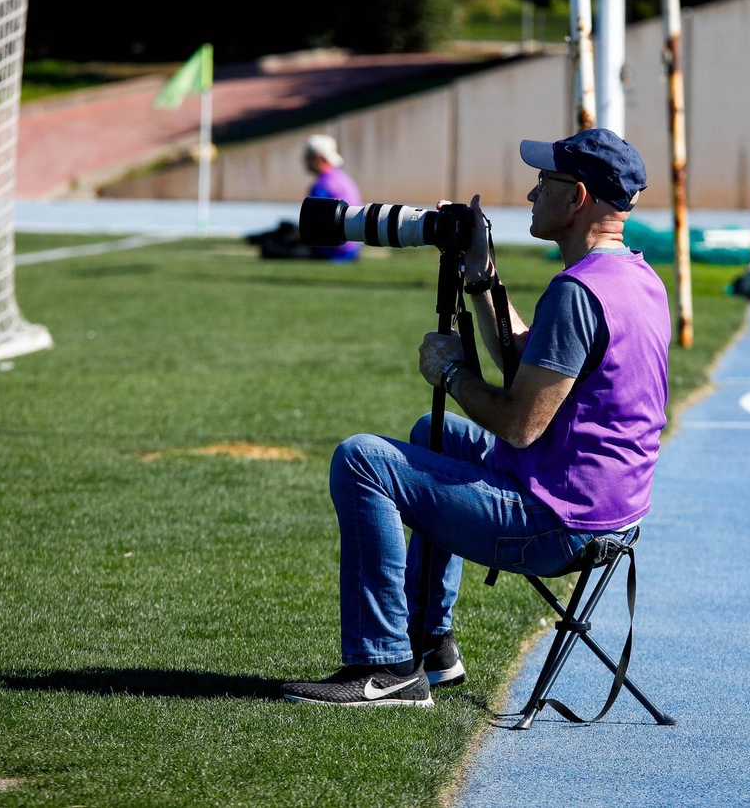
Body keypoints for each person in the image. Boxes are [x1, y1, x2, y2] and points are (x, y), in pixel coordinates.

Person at [281, 128, 671, 707]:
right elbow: (528, 365)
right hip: (604, 510)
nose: (532, 195)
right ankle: (433, 646)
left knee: (362, 459)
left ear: (578, 198)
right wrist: (482, 276)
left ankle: (385, 668)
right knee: (431, 435)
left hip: (557, 523)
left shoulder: (576, 293)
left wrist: (452, 376)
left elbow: (520, 423)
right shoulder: (636, 279)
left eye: (546, 182)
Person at [305, 134, 361, 262]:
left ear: (318, 158)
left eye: (307, 157)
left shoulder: (322, 185)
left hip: (334, 249)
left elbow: (312, 225)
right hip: (352, 248)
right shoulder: (342, 177)